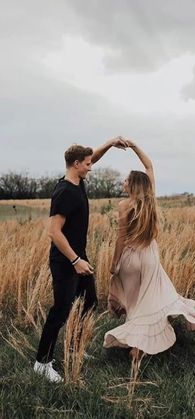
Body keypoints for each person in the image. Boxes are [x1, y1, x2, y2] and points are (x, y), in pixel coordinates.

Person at [103, 139, 195, 360]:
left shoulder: (124, 206)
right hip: (149, 255)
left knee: (134, 303)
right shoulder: (150, 201)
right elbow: (149, 166)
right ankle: (143, 342)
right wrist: (133, 146)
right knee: (150, 300)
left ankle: (137, 345)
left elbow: (121, 238)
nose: (123, 183)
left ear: (132, 185)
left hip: (131, 258)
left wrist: (114, 264)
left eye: (125, 180)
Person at [34, 137, 128, 382]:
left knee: (88, 303)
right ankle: (42, 362)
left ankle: (75, 348)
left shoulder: (78, 181)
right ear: (76, 164)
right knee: (61, 310)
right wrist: (76, 260)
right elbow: (54, 231)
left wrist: (110, 143)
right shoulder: (65, 192)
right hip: (66, 262)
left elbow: (92, 155)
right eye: (87, 164)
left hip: (79, 257)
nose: (91, 166)